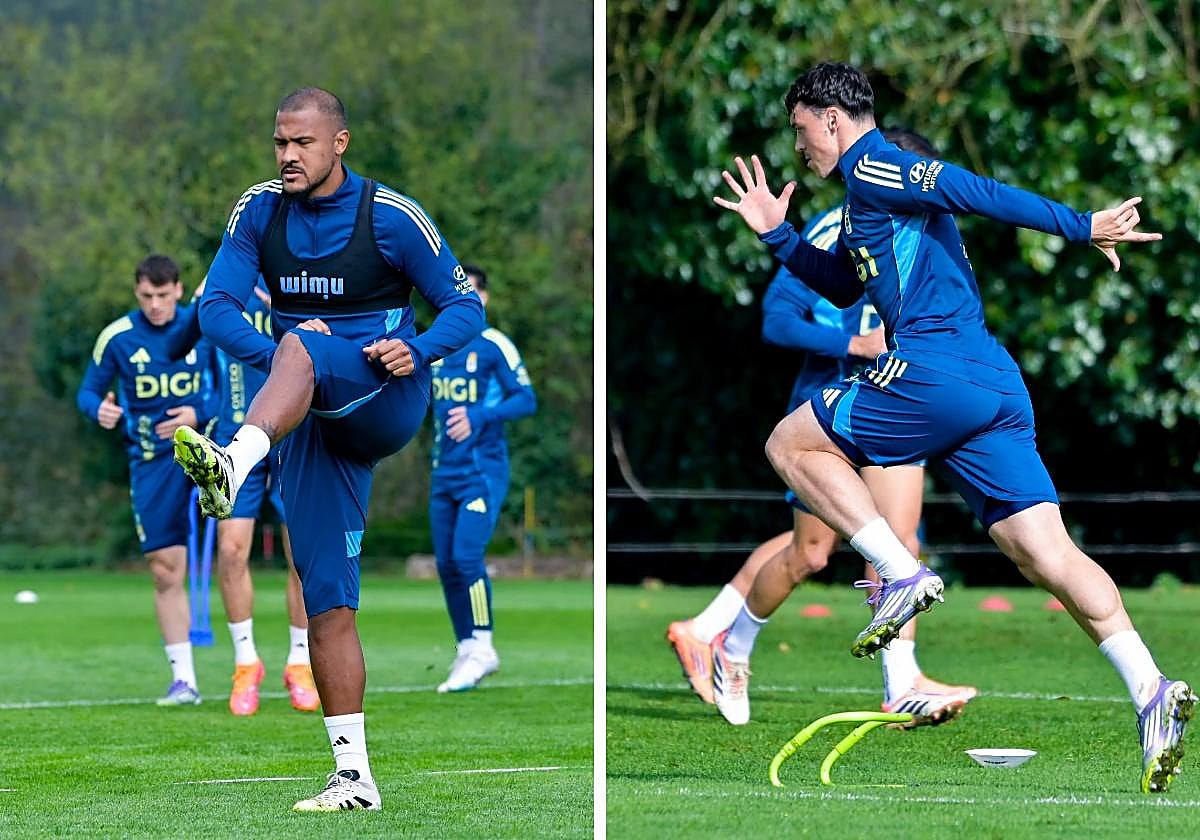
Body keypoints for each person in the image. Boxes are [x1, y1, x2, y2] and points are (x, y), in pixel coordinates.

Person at [713, 61, 1191, 793]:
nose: (798, 144)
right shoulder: (863, 196)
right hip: (993, 386)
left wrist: (1081, 224)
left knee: (789, 442)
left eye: (800, 127)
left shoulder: (875, 162)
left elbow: (977, 190)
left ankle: (900, 573)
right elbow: (845, 282)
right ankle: (1151, 690)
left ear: (831, 118)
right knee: (1045, 553)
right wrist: (778, 236)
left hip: (935, 373)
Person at [171, 87, 484, 812]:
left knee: (303, 351)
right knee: (327, 603)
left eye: (302, 143)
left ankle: (236, 458)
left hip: (385, 398)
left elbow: (466, 306)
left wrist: (419, 348)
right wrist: (285, 356)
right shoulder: (258, 211)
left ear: (338, 144)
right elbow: (213, 307)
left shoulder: (391, 217)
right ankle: (355, 778)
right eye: (280, 142)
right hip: (306, 415)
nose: (287, 156)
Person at [669, 130, 976, 729]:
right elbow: (777, 322)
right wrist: (851, 342)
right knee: (810, 553)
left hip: (898, 402)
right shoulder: (836, 228)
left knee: (901, 545)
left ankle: (900, 683)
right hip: (829, 411)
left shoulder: (933, 232)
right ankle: (731, 647)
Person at [168, 277, 320, 716]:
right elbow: (177, 346)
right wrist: (200, 299)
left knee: (301, 555)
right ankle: (246, 663)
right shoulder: (225, 289)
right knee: (232, 552)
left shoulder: (302, 283)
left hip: (294, 436)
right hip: (235, 439)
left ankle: (299, 663)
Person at [76, 254, 217, 706]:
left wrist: (199, 412)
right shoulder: (117, 337)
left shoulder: (203, 325)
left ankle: (250, 665)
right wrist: (98, 409)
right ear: (137, 293)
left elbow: (230, 388)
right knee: (163, 568)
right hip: (152, 462)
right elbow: (88, 390)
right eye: (146, 296)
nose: (155, 304)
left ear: (179, 289)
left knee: (234, 551)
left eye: (163, 294)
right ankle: (184, 681)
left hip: (210, 456)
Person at [428, 265, 537, 693]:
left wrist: (479, 415)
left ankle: (485, 645)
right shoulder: (435, 349)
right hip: (442, 474)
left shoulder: (494, 346)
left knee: (466, 557)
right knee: (445, 566)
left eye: (470, 292)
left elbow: (526, 399)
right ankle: (467, 648)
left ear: (484, 299)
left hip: (481, 473)